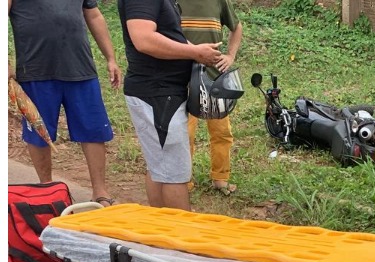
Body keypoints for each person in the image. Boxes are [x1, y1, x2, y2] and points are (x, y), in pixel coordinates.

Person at [8, 0, 121, 206]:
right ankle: (47, 189)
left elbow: (94, 15)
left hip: (81, 68)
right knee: (39, 133)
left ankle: (100, 192)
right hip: (35, 71)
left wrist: (111, 58)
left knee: (93, 129)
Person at [118, 0, 223, 211]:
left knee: (159, 166)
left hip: (161, 93)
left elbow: (168, 35)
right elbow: (144, 39)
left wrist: (199, 52)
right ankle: (179, 238)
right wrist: (194, 53)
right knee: (174, 172)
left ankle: (161, 232)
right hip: (157, 93)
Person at [179, 0, 243, 195]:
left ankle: (220, 179)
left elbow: (236, 26)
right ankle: (183, 182)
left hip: (214, 78)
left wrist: (230, 56)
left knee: (222, 131)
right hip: (181, 77)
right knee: (184, 133)